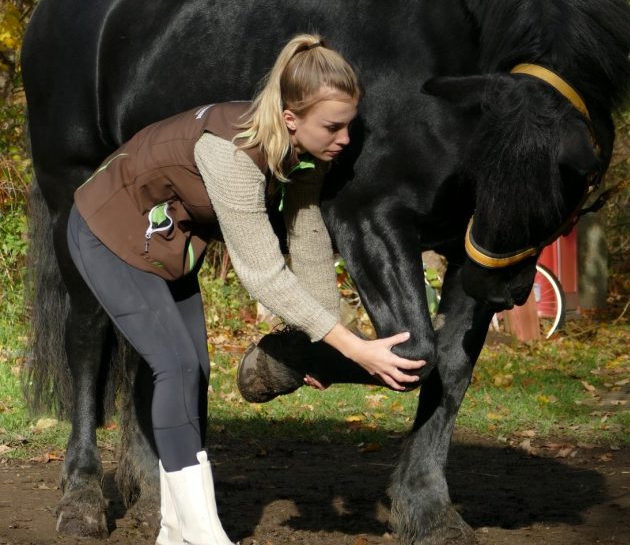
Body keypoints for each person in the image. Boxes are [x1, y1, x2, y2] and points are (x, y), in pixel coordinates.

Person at [67, 33, 425, 545]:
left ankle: (176, 532)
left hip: (164, 241)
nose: (345, 138)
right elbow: (262, 273)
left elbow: (307, 235)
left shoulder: (303, 152)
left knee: (194, 372)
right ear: (290, 118)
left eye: (349, 124)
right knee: (176, 365)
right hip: (108, 229)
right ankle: (205, 535)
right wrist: (351, 347)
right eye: (333, 126)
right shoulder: (232, 155)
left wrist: (314, 347)